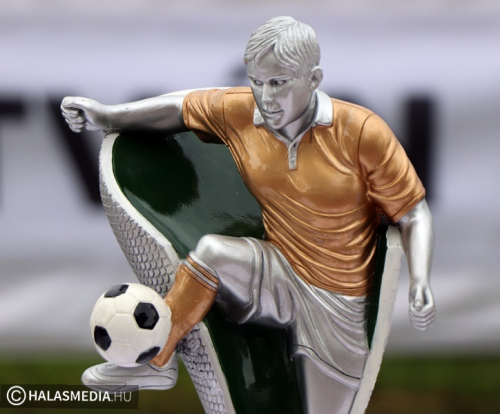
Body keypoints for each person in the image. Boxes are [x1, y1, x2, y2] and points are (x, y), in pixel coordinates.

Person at [61, 16, 435, 414]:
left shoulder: (362, 132)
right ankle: (158, 360)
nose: (266, 96)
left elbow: (413, 214)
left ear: (314, 78)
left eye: (279, 83)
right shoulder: (242, 112)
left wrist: (420, 281)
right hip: (277, 269)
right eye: (257, 81)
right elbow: (179, 108)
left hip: (338, 299)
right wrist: (108, 116)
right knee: (213, 253)